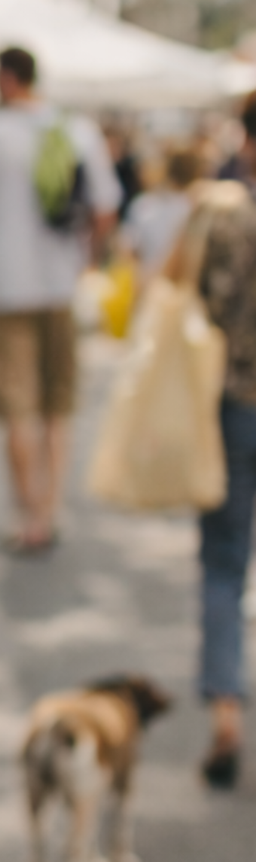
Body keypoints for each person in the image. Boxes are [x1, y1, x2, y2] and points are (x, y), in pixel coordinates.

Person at [0, 46, 121, 554]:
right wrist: (89, 259)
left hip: (5, 287)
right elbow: (105, 208)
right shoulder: (75, 130)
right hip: (61, 283)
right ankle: (51, 506)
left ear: (5, 78)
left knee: (18, 406)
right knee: (56, 404)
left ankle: (27, 514)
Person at [190, 129, 256, 786]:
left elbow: (206, 301)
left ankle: (226, 709)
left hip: (237, 399)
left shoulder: (232, 217)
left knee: (222, 561)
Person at [122, 148, 202, 284]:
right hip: (177, 288)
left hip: (146, 284)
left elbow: (127, 253)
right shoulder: (194, 208)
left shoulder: (141, 205)